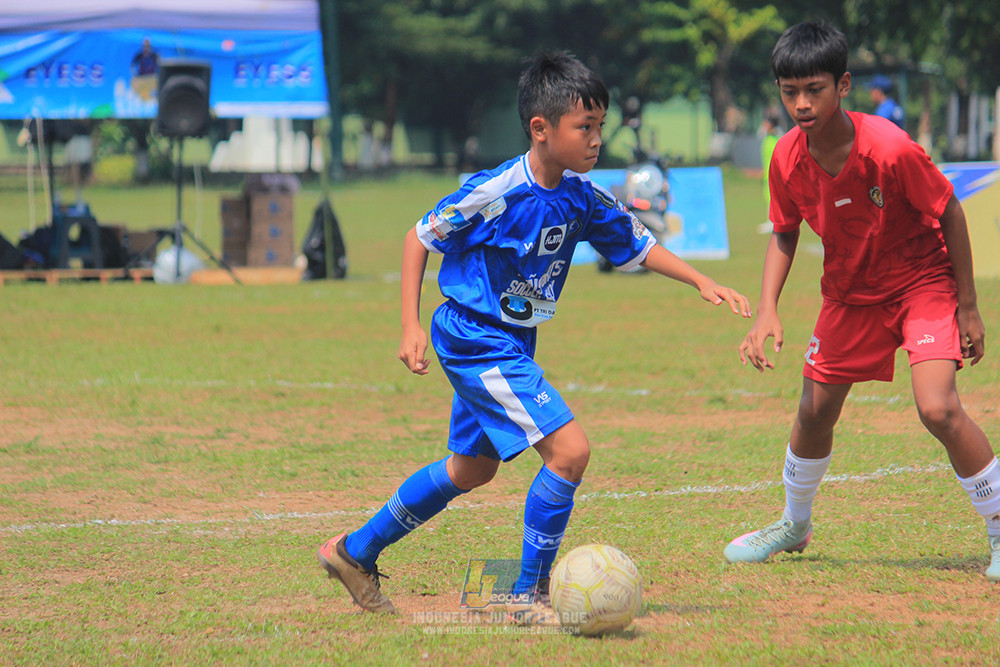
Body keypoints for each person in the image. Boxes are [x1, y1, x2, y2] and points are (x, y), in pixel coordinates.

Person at [317, 50, 752, 621]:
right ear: (541, 129)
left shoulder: (582, 195)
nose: (597, 140)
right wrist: (409, 325)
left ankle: (353, 551)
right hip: (476, 337)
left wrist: (701, 280)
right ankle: (527, 595)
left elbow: (638, 243)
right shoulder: (497, 190)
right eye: (585, 127)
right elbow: (419, 237)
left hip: (514, 338)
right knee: (570, 452)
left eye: (600, 125)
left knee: (471, 469)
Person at [724, 21, 1000, 583]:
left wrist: (968, 306)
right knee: (813, 412)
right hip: (849, 295)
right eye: (790, 92)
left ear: (843, 85)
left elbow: (950, 210)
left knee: (938, 408)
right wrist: (768, 307)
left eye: (815, 89)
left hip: (922, 283)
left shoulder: (890, 148)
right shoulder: (785, 158)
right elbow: (785, 231)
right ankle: (794, 525)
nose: (801, 104)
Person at [757, 110, 783, 233]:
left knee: (773, 199)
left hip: (774, 175)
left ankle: (773, 222)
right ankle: (771, 221)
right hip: (767, 175)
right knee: (768, 197)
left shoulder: (774, 140)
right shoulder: (767, 139)